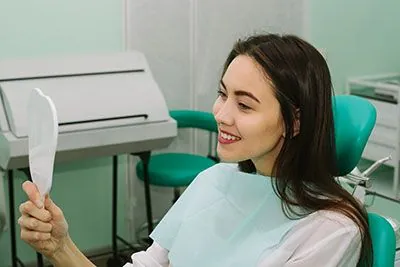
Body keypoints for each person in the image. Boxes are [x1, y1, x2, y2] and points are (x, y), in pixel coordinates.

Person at [19, 34, 372, 267]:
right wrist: (61, 248)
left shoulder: (331, 229)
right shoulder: (214, 181)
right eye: (222, 94)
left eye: (245, 105)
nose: (220, 114)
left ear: (295, 122)